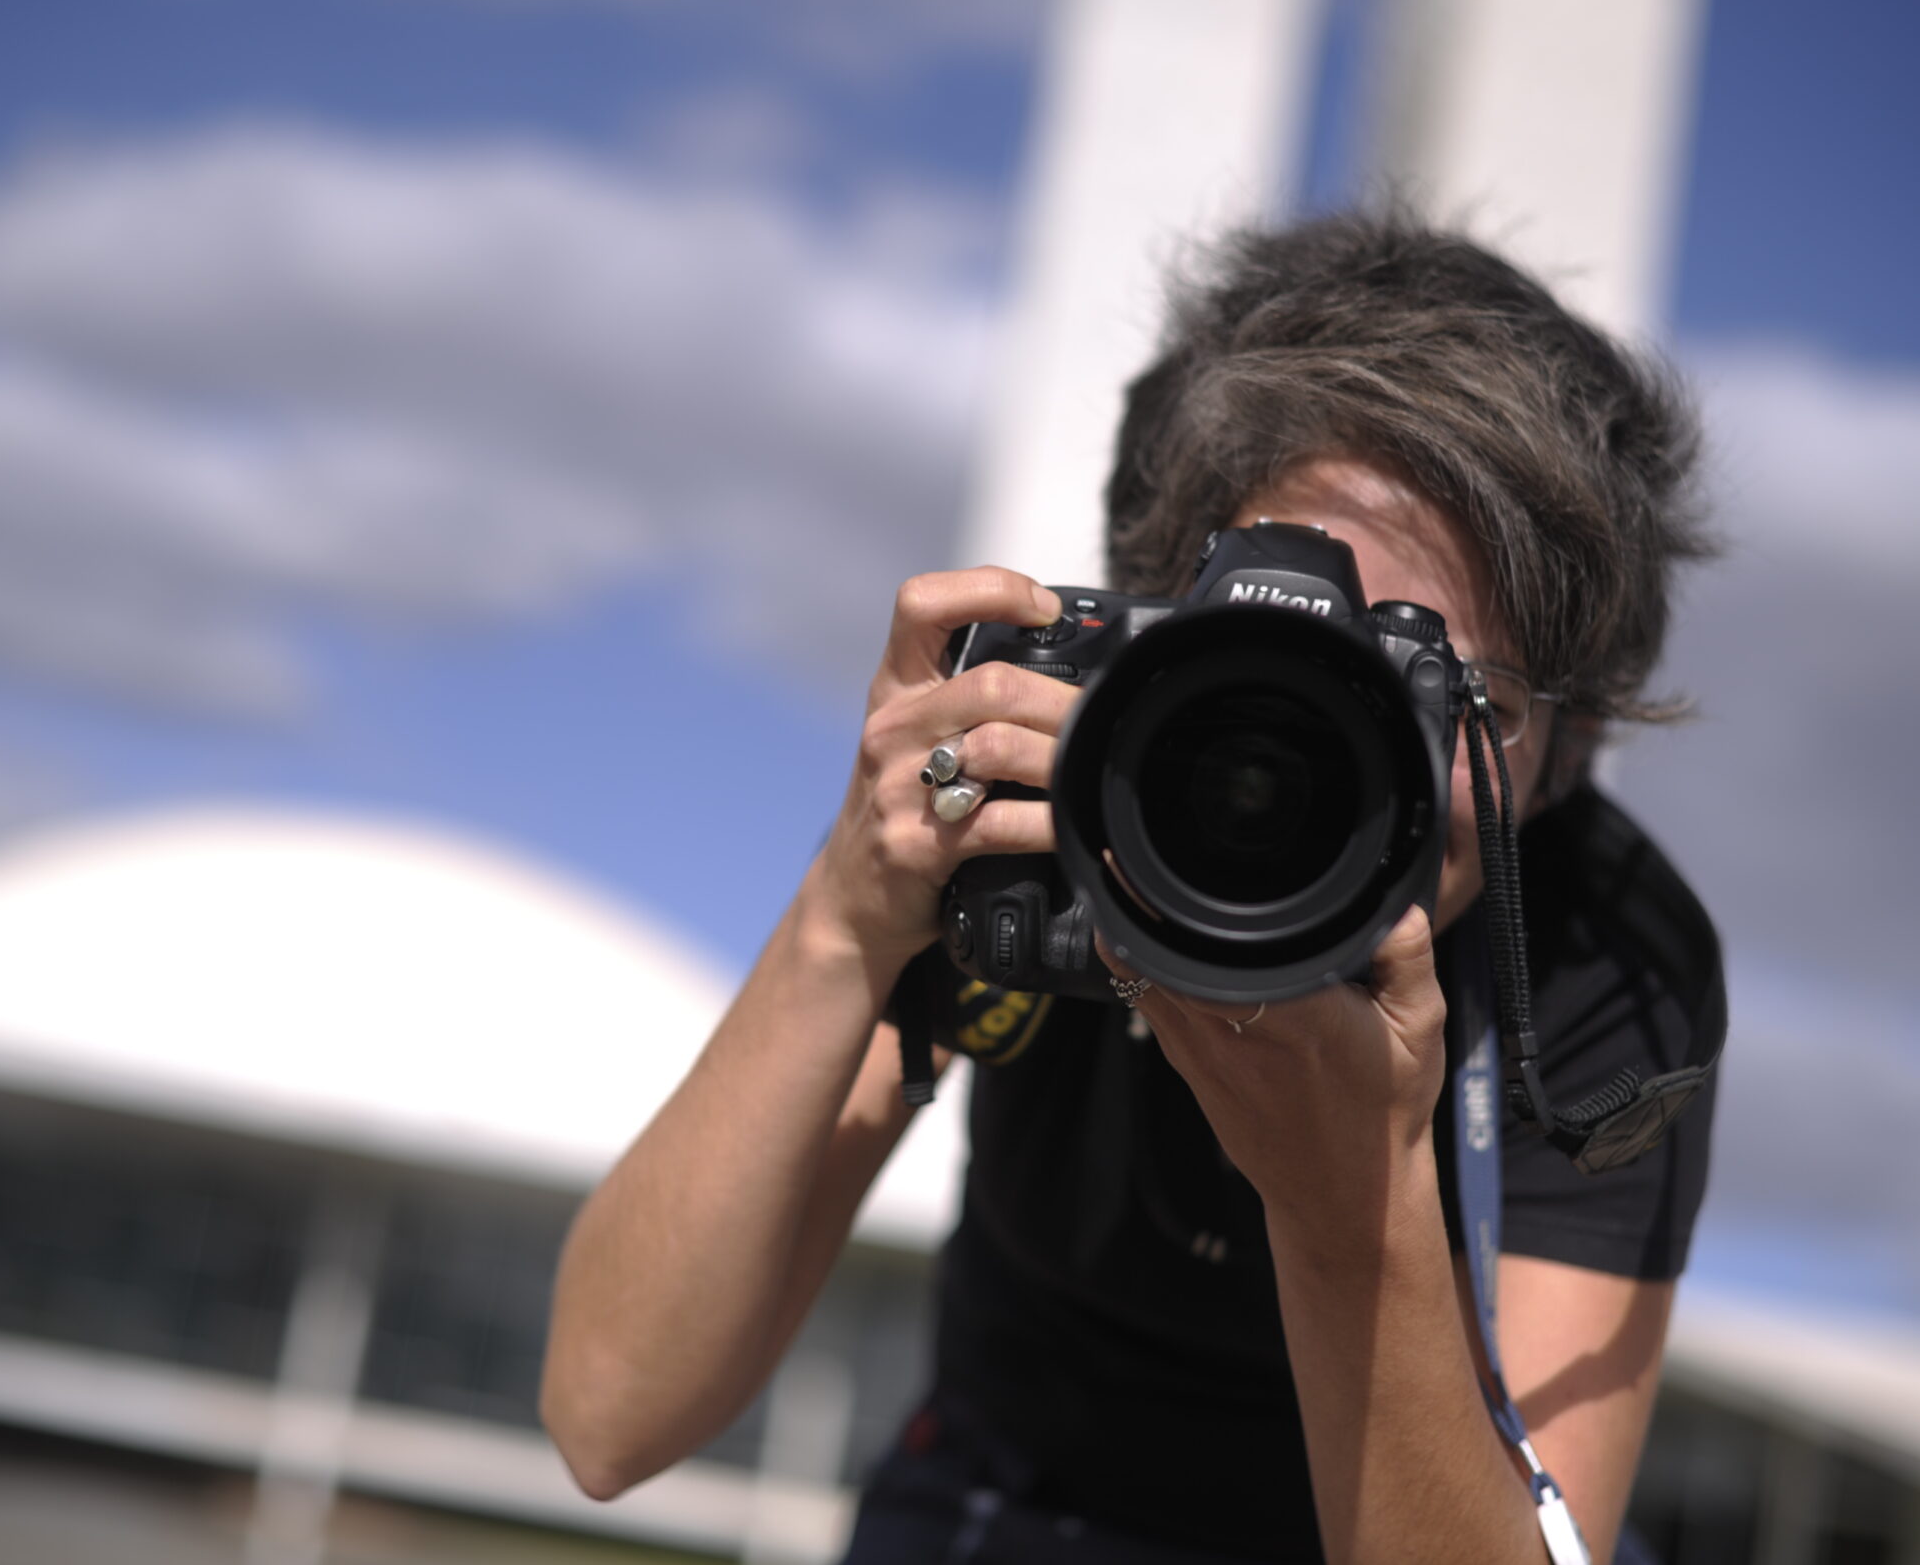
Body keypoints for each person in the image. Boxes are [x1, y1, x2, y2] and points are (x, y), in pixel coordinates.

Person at [541, 213, 1721, 1564]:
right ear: (1142, 639)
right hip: (1016, 1504)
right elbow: (606, 1414)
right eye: (1262, 657)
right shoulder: (1029, 824)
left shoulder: (1599, 952)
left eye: (1433, 691)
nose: (1330, 756)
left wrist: (1353, 1206)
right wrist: (849, 910)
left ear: (1570, 755)